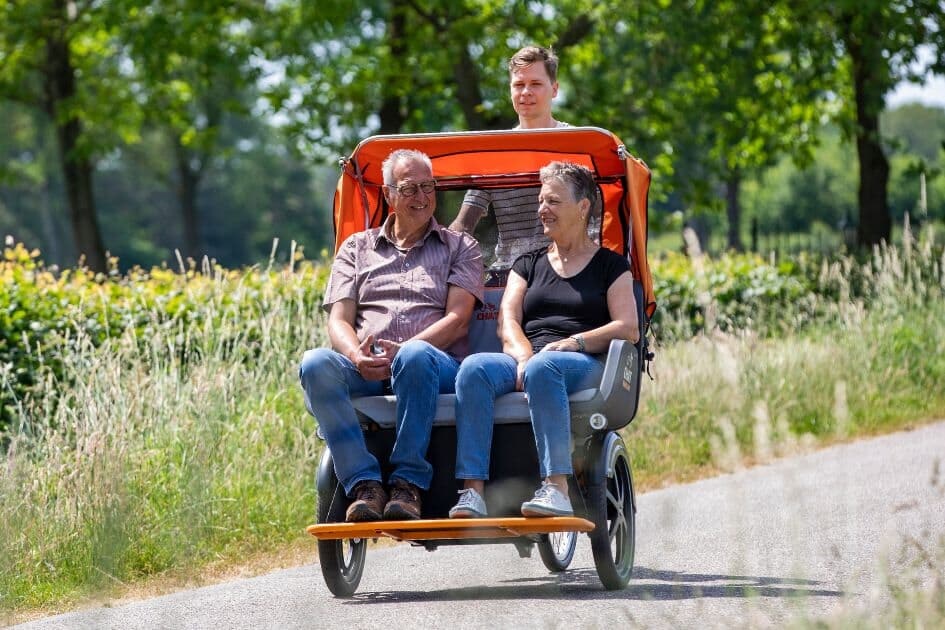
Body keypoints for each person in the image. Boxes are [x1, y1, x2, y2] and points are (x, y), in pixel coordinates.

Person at [299, 149, 483, 522]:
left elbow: (459, 318)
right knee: (315, 363)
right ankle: (363, 484)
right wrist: (356, 357)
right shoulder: (355, 248)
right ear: (388, 195)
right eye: (410, 188)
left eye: (428, 187)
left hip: (434, 366)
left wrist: (411, 347)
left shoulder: (460, 247)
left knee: (414, 356)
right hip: (369, 366)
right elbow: (338, 321)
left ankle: (407, 484)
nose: (422, 197)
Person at [448, 161, 639, 519]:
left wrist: (576, 342)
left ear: (583, 208)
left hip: (582, 361)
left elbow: (628, 327)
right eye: (540, 201)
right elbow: (508, 318)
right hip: (530, 357)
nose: (542, 209)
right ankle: (472, 492)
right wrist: (522, 355)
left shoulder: (611, 267)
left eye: (552, 201)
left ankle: (557, 488)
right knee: (474, 369)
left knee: (545, 367)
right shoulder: (529, 263)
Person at [449, 45, 570, 269]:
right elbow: (464, 224)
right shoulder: (495, 152)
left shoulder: (577, 144)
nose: (526, 92)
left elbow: (599, 220)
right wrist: (437, 256)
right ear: (510, 90)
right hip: (509, 269)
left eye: (535, 84)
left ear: (554, 89)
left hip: (566, 267)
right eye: (518, 85)